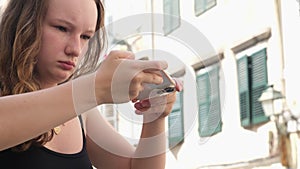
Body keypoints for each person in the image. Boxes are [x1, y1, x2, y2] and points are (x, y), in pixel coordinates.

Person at [0, 0, 182, 169]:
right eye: (62, 28)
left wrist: (155, 116)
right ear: (24, 24)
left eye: (86, 36)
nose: (75, 49)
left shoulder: (82, 111)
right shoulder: (82, 98)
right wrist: (97, 88)